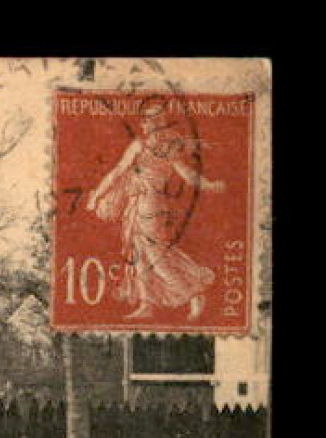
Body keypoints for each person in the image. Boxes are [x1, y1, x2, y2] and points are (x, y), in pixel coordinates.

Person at [86, 97, 226, 322]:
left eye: (153, 119)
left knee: (155, 255)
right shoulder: (144, 146)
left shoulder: (161, 148)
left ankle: (194, 293)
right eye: (147, 120)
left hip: (151, 205)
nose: (147, 124)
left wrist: (209, 185)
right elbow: (117, 172)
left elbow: (187, 175)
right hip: (137, 205)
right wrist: (97, 194)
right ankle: (147, 303)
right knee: (139, 255)